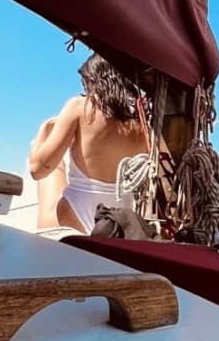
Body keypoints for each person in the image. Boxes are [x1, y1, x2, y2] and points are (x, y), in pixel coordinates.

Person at [28, 53, 148, 232]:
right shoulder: (144, 122)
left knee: (53, 165)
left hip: (73, 216)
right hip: (118, 224)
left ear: (92, 80)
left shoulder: (79, 106)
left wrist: (44, 129)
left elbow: (37, 170)